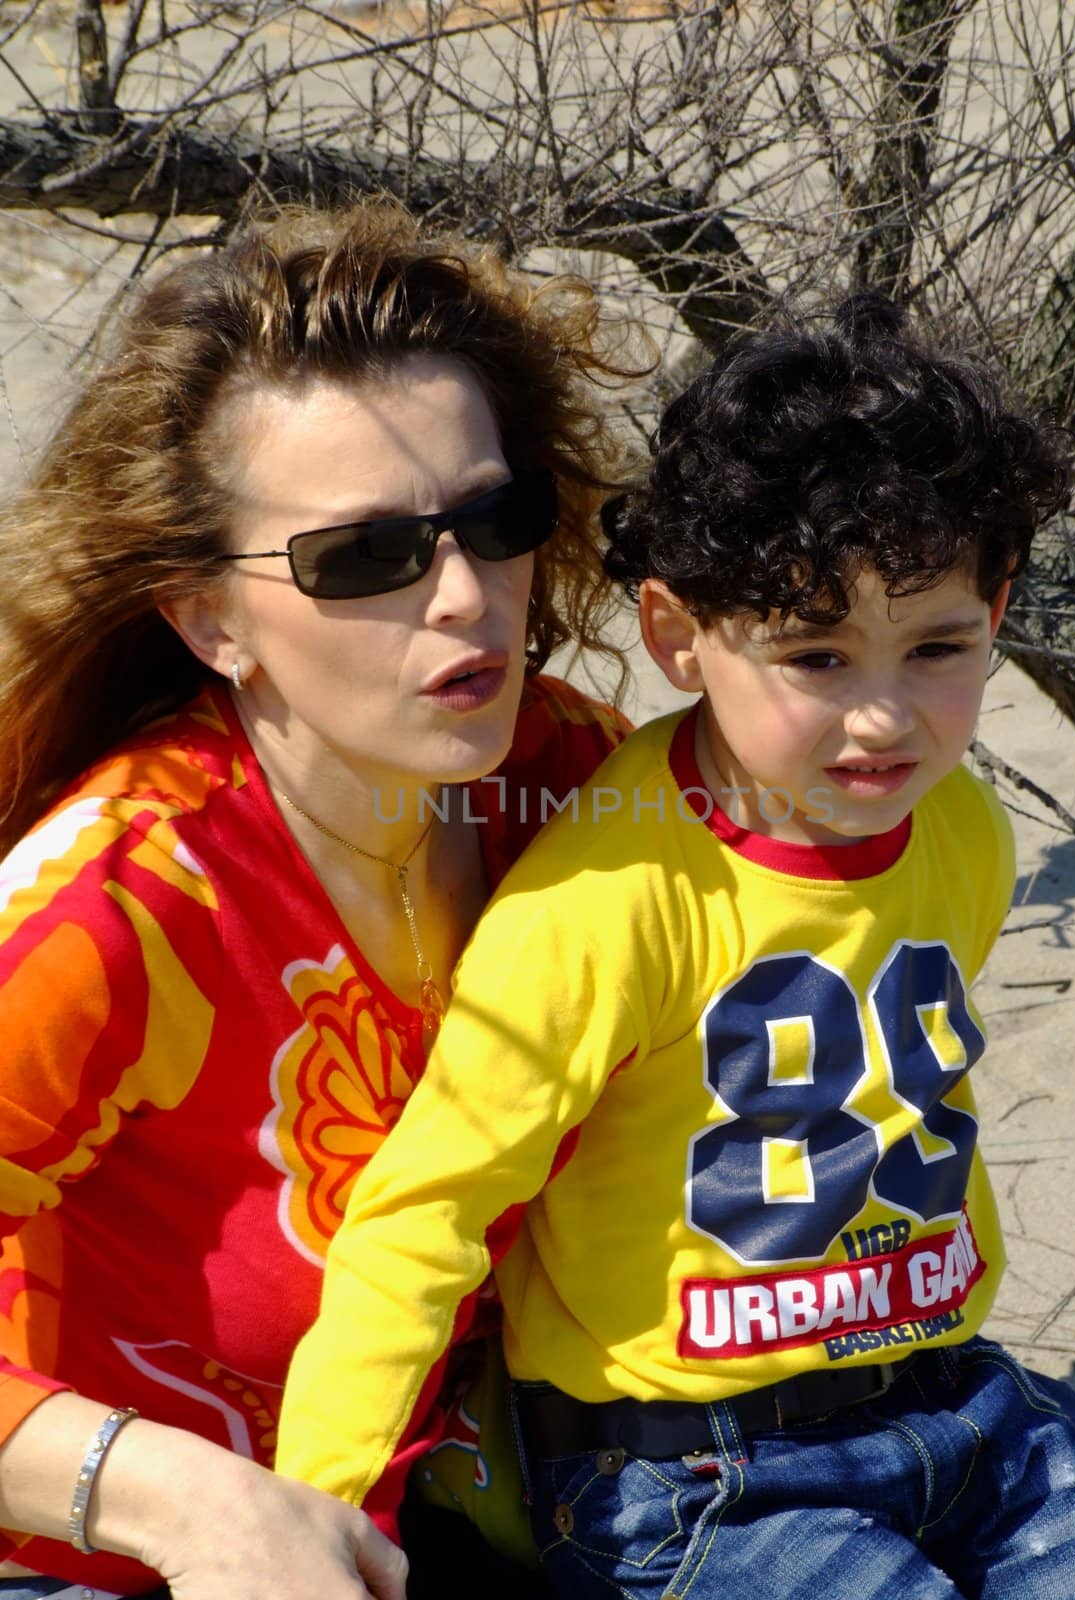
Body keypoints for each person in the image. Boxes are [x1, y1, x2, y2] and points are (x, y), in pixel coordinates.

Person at [275, 302, 1075, 1598]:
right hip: (696, 1474)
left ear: (1000, 610)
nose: (883, 715)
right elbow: (425, 1217)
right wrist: (318, 1509)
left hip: (961, 1408)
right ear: (678, 633)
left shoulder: (961, 827)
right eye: (814, 654)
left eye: (939, 646)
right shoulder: (605, 903)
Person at [0, 198, 643, 1600]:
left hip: (490, 1511)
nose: (469, 596)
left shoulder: (580, 786)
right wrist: (174, 1497)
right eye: (366, 558)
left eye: (495, 517)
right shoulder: (121, 901)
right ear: (207, 616)